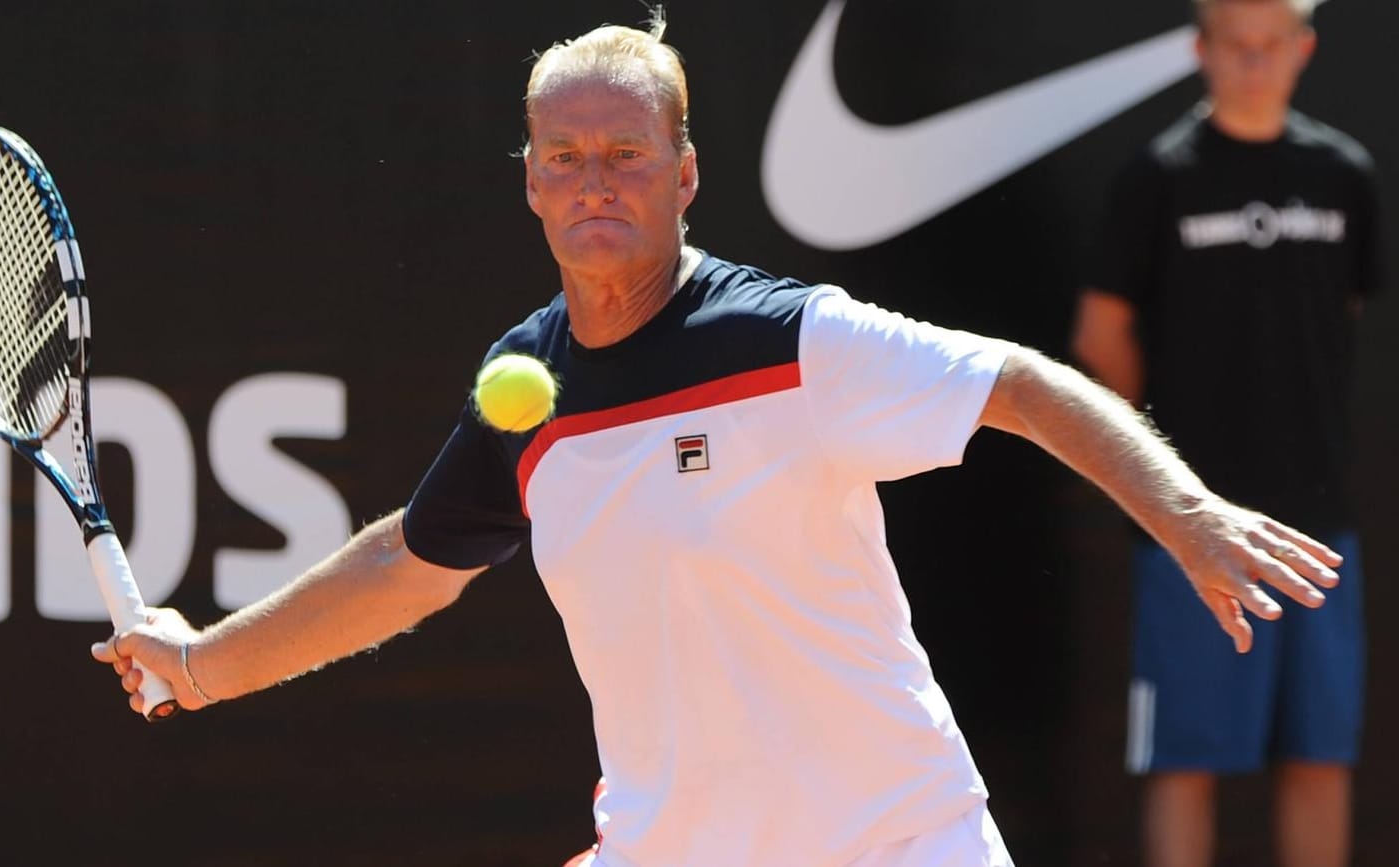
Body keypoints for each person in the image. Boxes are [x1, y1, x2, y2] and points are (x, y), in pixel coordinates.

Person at [95, 13, 1344, 867]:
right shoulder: (525, 393)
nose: (595, 181)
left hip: (893, 842)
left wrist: (1187, 517)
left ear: (683, 175)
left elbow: (1018, 383)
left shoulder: (794, 340)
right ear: (527, 180)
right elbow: (405, 566)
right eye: (565, 158)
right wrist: (202, 665)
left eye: (625, 157)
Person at [1070, 1, 1385, 865]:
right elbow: (1101, 338)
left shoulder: (1343, 173)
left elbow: (1344, 308)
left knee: (1321, 754)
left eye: (1269, 47)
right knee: (1186, 758)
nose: (1253, 64)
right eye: (1235, 48)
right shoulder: (1159, 177)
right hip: (1192, 525)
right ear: (1201, 51)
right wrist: (1166, 469)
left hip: (1320, 523)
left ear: (1303, 50)